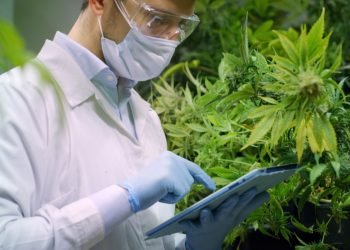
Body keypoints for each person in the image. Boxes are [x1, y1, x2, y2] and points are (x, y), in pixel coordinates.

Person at [0, 0, 269, 249]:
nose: (169, 41)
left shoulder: (144, 116)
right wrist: (124, 198)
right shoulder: (14, 98)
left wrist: (193, 245)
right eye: (157, 19)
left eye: (182, 26)